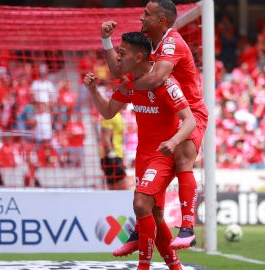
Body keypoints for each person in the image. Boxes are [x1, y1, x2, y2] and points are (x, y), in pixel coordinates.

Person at [101, 0, 208, 251]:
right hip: (166, 116)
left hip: (189, 112)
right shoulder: (152, 45)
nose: (141, 17)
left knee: (183, 157)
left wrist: (126, 87)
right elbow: (123, 69)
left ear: (161, 21)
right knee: (153, 207)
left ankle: (188, 227)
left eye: (146, 14)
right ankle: (149, 243)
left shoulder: (172, 42)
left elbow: (156, 78)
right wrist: (106, 41)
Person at [85, 32, 196, 270]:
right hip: (142, 155)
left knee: (140, 204)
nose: (117, 57)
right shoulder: (130, 83)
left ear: (138, 57)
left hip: (162, 154)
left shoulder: (165, 83)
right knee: (154, 214)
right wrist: (94, 90)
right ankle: (175, 267)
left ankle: (142, 266)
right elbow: (108, 111)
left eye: (122, 53)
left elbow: (189, 121)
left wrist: (175, 141)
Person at [100, 112, 127, 189]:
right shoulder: (109, 115)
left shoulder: (119, 115)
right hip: (111, 156)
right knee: (121, 188)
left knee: (115, 188)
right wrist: (112, 155)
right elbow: (105, 137)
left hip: (116, 155)